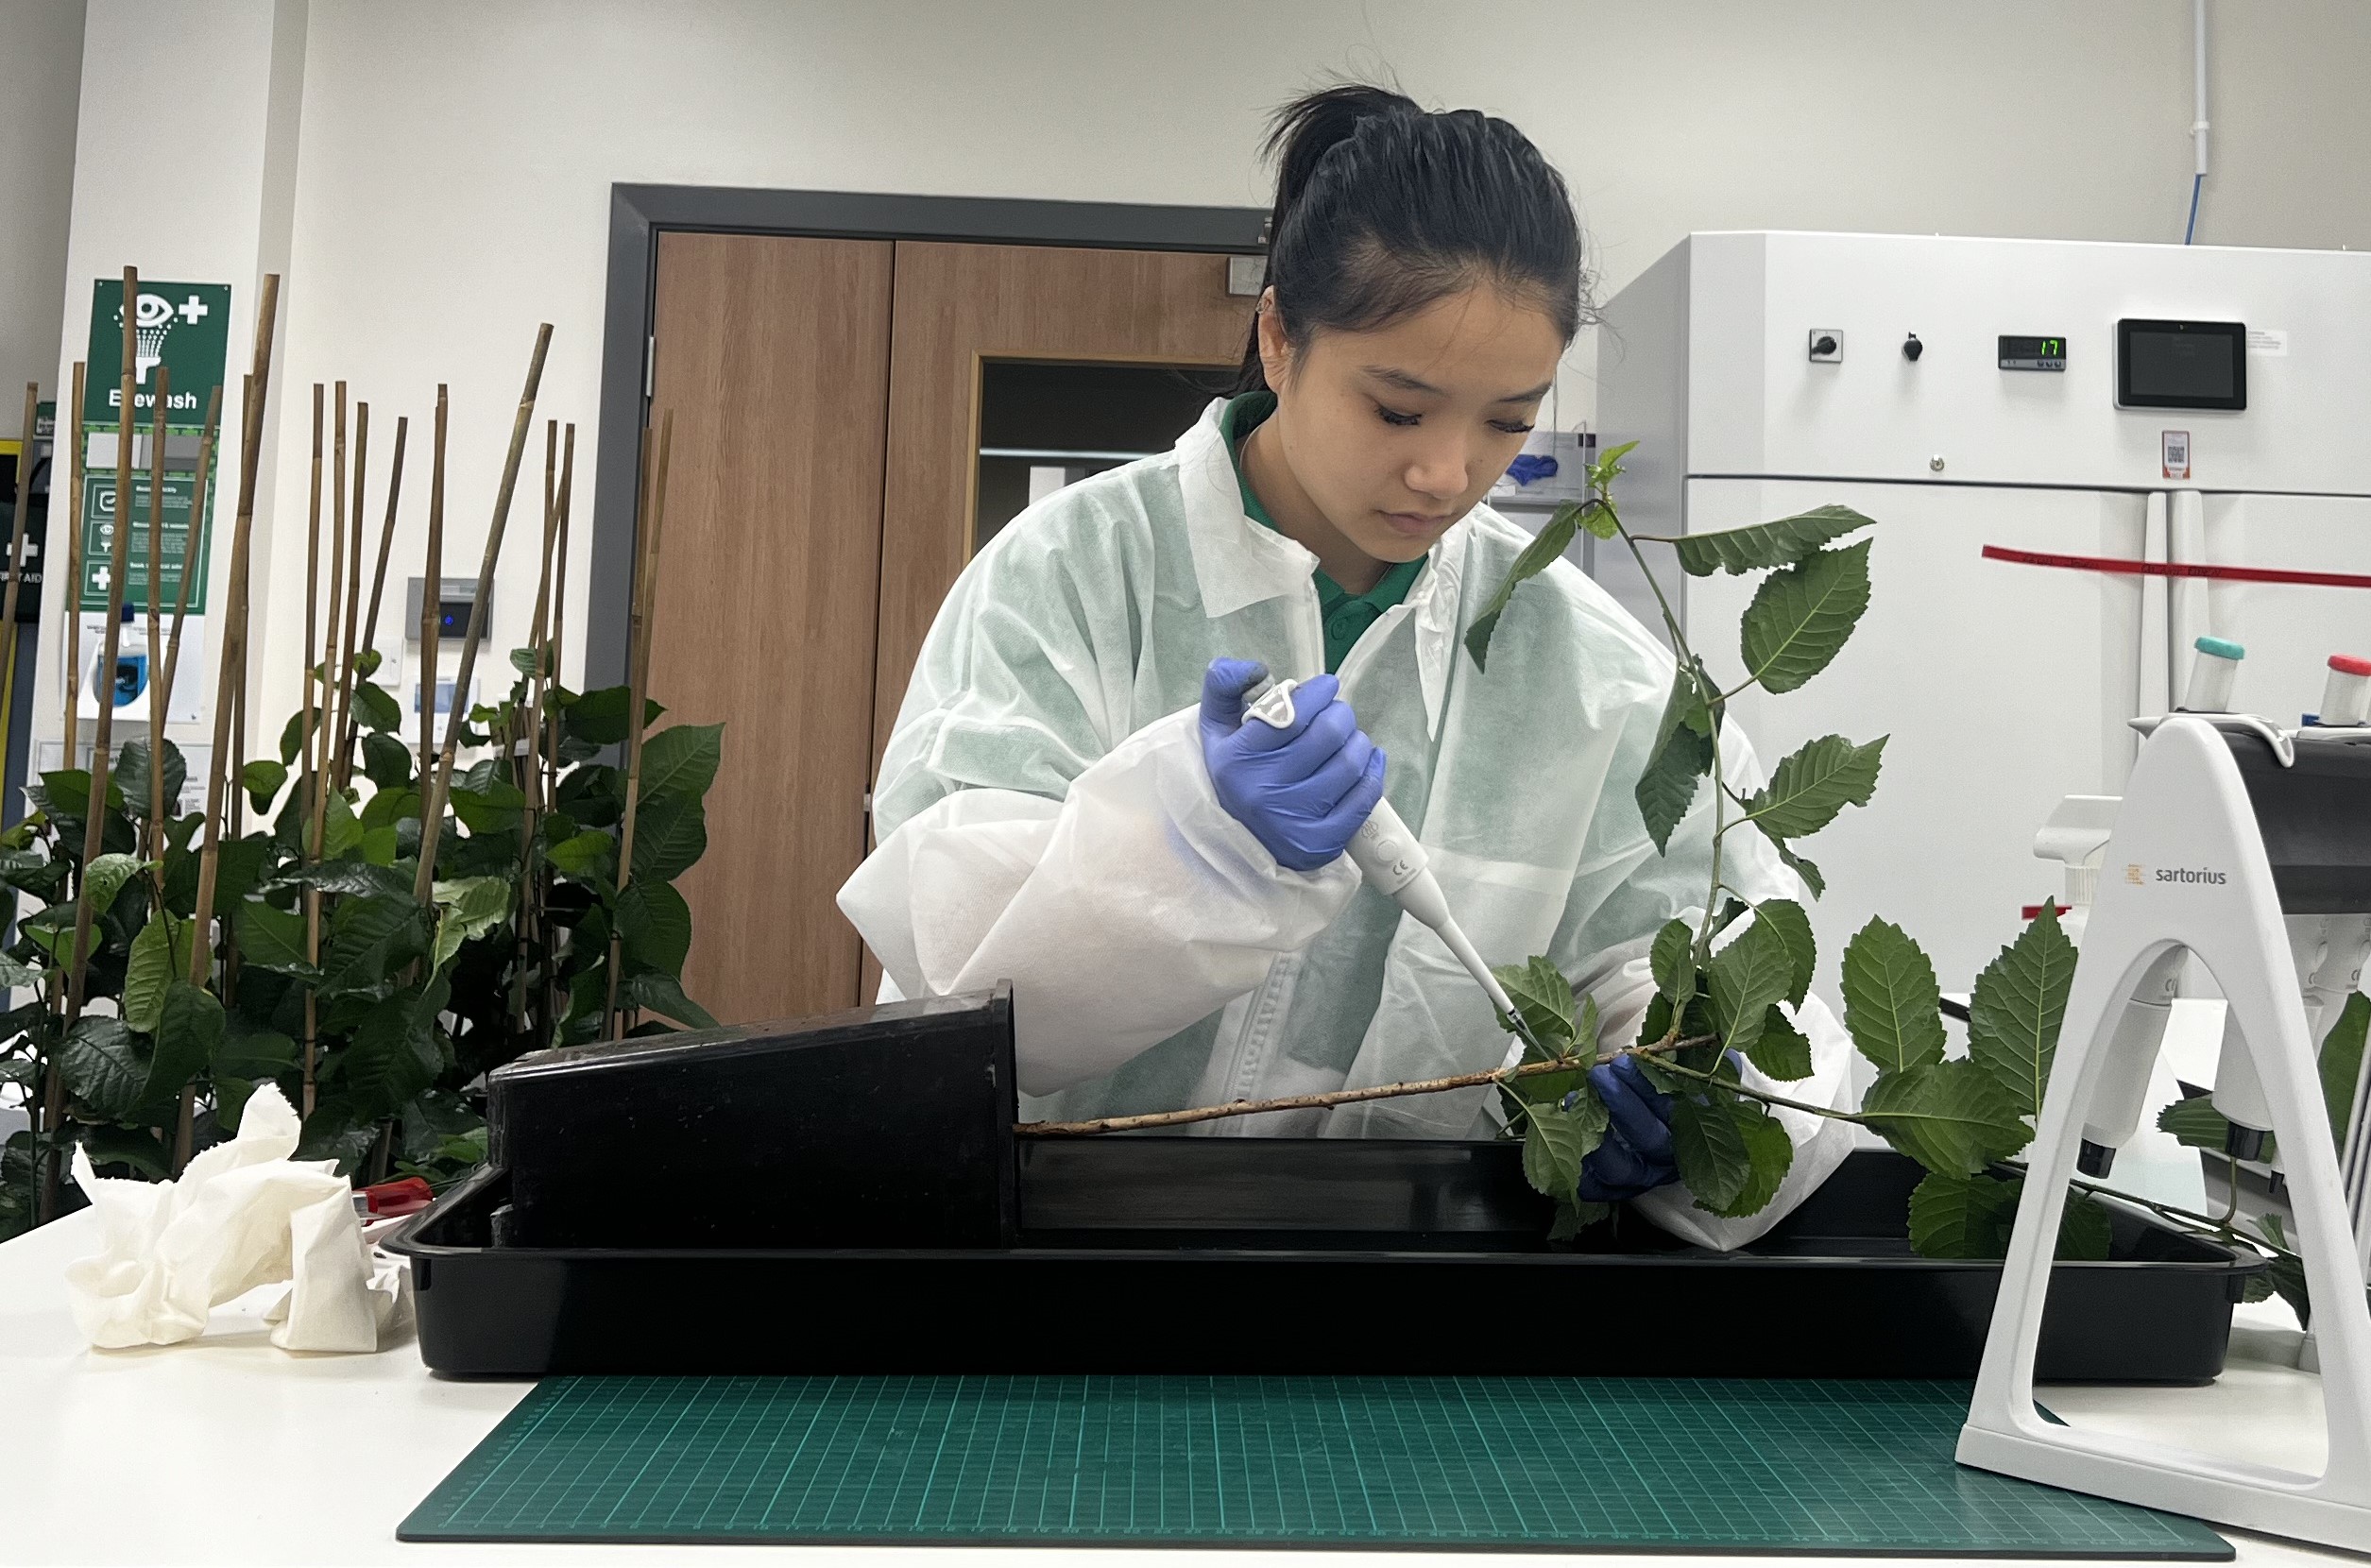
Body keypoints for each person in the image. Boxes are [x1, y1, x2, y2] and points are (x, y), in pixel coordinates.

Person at [838, 84, 1853, 1249]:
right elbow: (961, 989)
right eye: (1396, 408)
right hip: (1044, 1263)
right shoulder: (1073, 575)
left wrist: (1687, 1083)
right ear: (1278, 335)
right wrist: (1184, 834)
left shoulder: (1585, 667)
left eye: (1505, 422)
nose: (1445, 471)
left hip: (1408, 1298)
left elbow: (1705, 955)